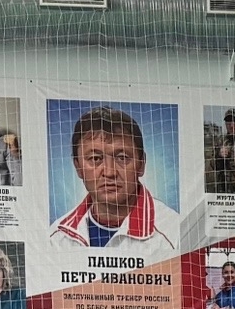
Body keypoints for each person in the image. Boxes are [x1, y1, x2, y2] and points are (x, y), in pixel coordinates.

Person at [52, 105, 166, 257]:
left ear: (141, 164)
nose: (110, 172)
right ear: (78, 167)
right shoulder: (55, 238)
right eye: (95, 159)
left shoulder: (173, 234)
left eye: (122, 158)